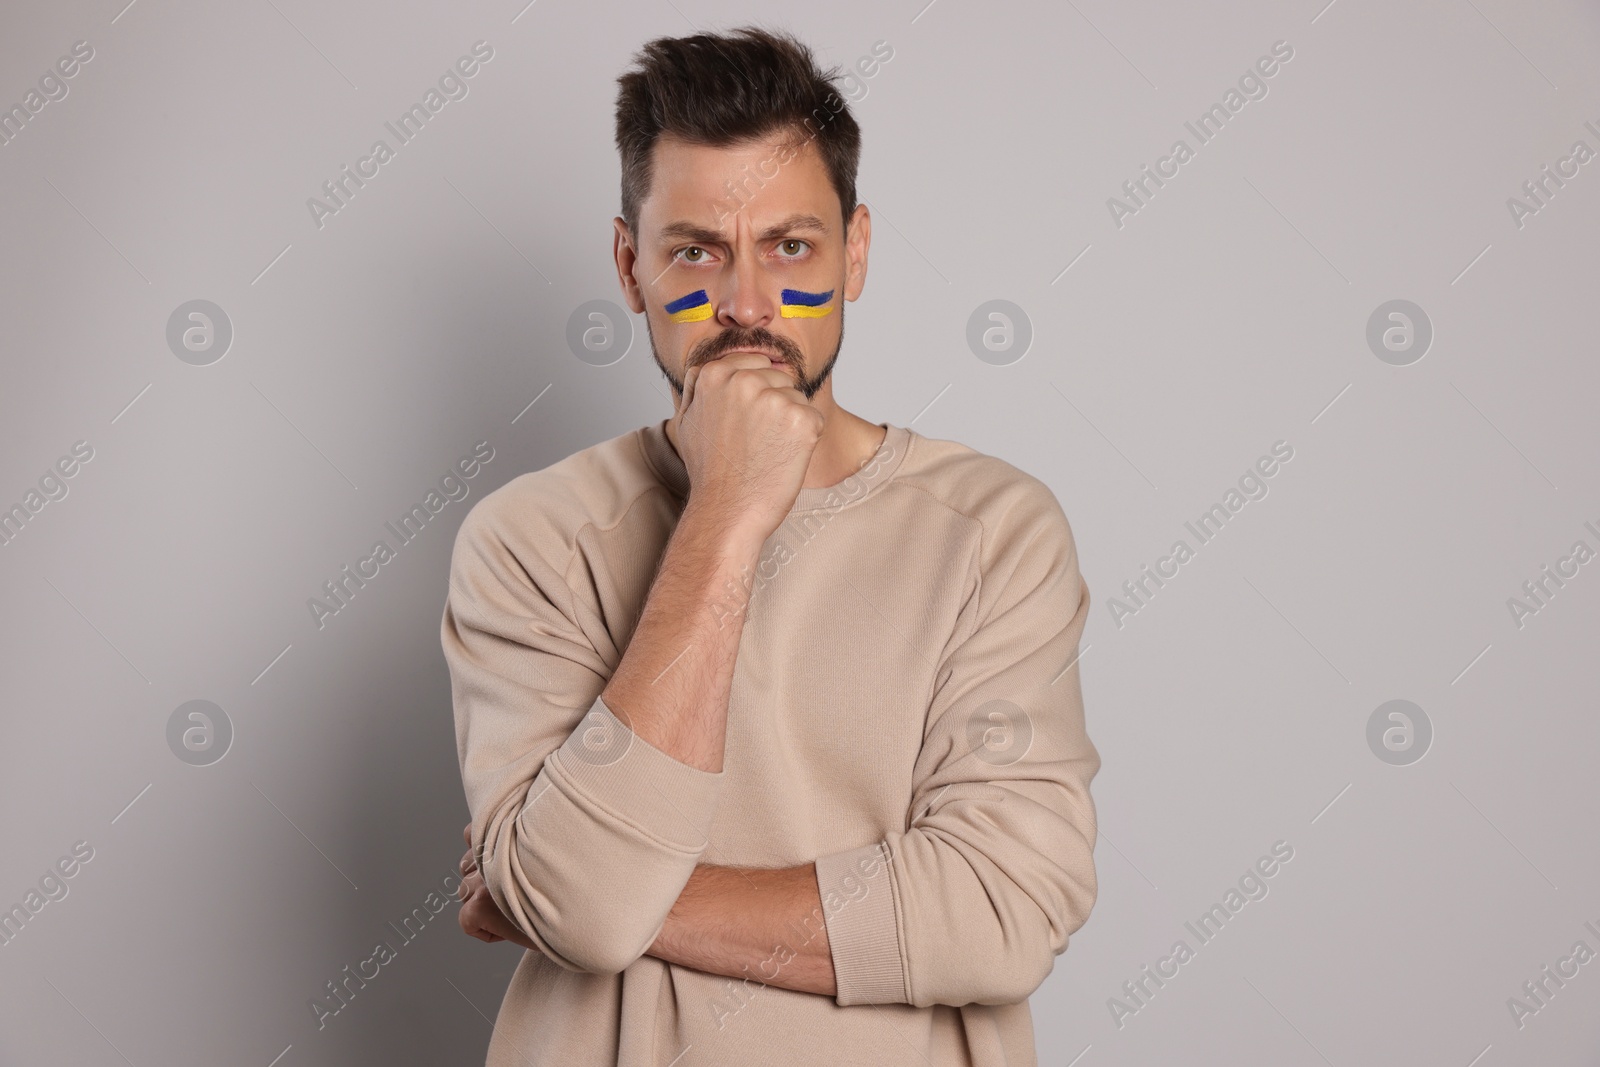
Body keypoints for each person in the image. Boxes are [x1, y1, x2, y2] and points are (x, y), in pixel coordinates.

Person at [440, 25, 1100, 1066]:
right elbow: (579, 906)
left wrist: (590, 897)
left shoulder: (993, 530)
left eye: (789, 246)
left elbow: (1002, 906)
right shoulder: (533, 538)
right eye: (696, 250)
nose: (746, 305)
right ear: (630, 265)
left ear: (856, 253)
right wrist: (725, 513)